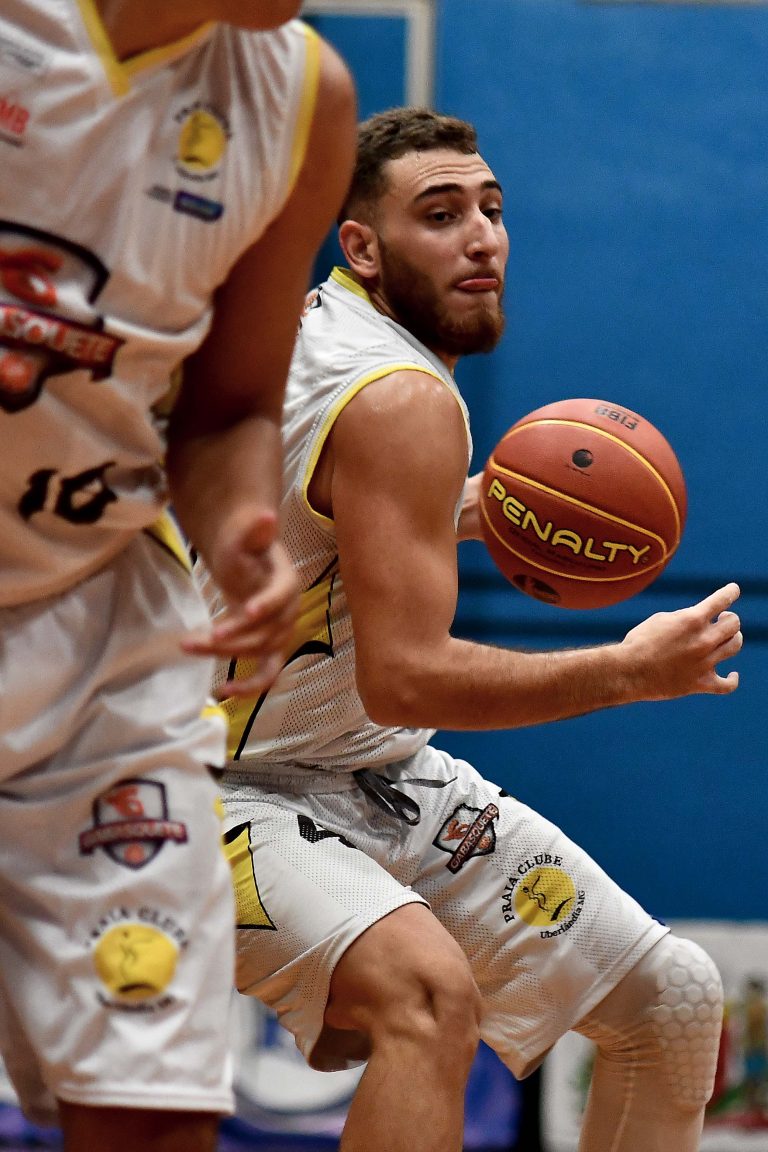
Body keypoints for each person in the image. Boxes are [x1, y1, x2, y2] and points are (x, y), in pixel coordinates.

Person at [204, 108, 742, 1152]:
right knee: (426, 998)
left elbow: (327, 516)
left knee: (667, 1004)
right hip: (212, 782)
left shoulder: (330, 335)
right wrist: (628, 671)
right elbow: (407, 681)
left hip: (365, 772)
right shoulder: (399, 396)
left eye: (491, 208)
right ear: (362, 246)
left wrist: (467, 506)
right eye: (441, 214)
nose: (482, 237)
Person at [0, 3, 356, 1151]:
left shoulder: (303, 98)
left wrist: (244, 527)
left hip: (99, 629)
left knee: (152, 1114)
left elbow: (230, 407)